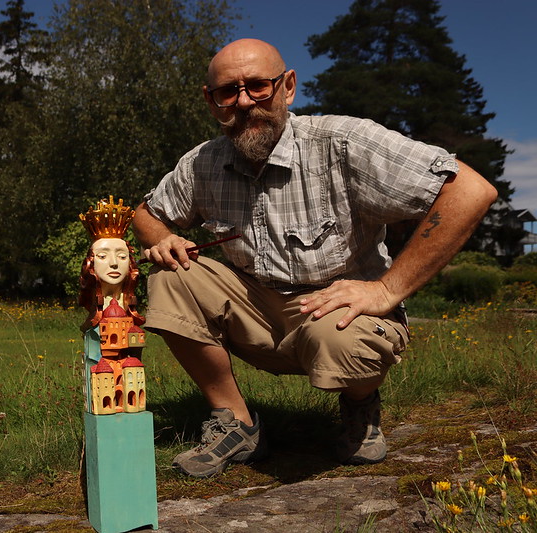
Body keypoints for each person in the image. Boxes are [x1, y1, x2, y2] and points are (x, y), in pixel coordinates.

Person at [132, 38, 497, 477]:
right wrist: (165, 238)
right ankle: (236, 424)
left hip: (338, 313)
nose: (244, 102)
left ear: (287, 87)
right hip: (257, 313)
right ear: (212, 102)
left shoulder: (342, 142)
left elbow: (469, 190)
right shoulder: (202, 163)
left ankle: (360, 404)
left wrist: (387, 289)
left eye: (258, 86)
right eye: (228, 92)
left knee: (339, 339)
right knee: (170, 275)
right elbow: (146, 214)